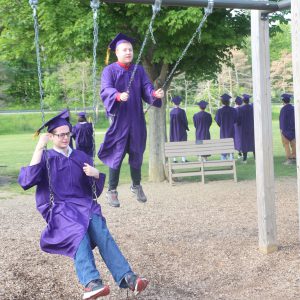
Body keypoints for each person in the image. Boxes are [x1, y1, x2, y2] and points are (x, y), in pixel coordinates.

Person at [18, 111, 149, 300]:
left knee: (101, 232)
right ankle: (92, 283)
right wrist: (39, 146)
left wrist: (96, 174)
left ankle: (128, 278)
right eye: (60, 134)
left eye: (67, 133)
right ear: (51, 136)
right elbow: (26, 181)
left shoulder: (81, 157)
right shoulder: (46, 157)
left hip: (85, 205)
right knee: (78, 232)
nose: (65, 137)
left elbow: (94, 189)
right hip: (60, 209)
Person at [98, 33, 164, 207]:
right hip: (119, 121)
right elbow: (105, 89)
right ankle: (112, 191)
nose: (128, 52)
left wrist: (154, 94)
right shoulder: (109, 70)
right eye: (124, 49)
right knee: (116, 154)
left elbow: (146, 87)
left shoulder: (139, 70)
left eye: (130, 49)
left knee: (136, 153)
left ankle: (136, 186)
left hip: (136, 119)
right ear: (117, 52)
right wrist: (118, 96)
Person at [215, 93, 237, 160]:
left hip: (223, 130)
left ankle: (223, 158)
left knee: (223, 143)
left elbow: (217, 121)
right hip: (231, 129)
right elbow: (236, 120)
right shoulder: (233, 110)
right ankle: (231, 157)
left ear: (222, 102)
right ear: (229, 102)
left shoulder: (219, 111)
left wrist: (221, 125)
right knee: (231, 142)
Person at [169, 96, 189, 163]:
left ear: (173, 103)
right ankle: (183, 159)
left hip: (173, 130)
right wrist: (186, 127)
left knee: (174, 143)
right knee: (183, 144)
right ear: (179, 103)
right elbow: (185, 121)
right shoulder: (182, 111)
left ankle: (174, 159)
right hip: (181, 130)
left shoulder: (171, 112)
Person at [236, 94, 255, 163]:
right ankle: (256, 158)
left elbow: (238, 119)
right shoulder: (253, 108)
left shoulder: (240, 109)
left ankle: (245, 159)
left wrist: (238, 124)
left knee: (244, 143)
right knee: (253, 142)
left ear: (243, 101)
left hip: (243, 128)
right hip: (252, 127)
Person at [279, 93, 296, 165]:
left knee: (286, 145)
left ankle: (289, 159)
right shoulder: (293, 108)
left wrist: (281, 130)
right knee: (294, 144)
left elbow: (282, 120)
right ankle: (295, 157)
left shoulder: (283, 109)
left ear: (283, 101)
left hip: (285, 130)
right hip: (293, 130)